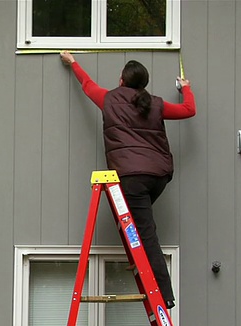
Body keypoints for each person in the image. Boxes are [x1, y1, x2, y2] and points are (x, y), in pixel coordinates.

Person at [60, 51, 196, 309]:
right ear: (144, 82)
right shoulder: (155, 103)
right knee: (139, 224)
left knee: (146, 234)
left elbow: (87, 86)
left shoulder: (110, 99)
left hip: (131, 178)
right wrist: (186, 89)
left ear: (121, 80)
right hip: (158, 177)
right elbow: (189, 110)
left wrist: (72, 62)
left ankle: (164, 294)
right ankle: (154, 281)